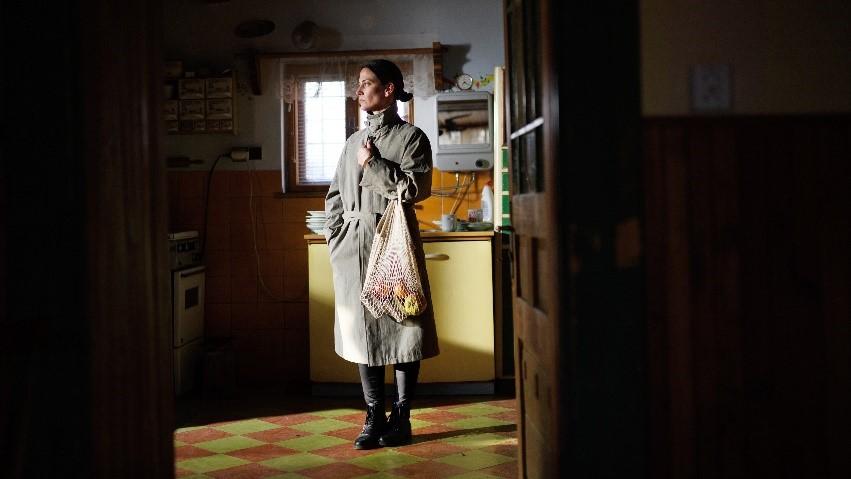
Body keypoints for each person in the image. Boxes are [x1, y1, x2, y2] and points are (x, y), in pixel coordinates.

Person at [324, 59, 439, 449]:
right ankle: (373, 416)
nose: (359, 90)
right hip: (353, 249)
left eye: (366, 83)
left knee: (405, 329)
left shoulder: (411, 139)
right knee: (363, 334)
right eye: (358, 84)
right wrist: (335, 238)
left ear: (389, 89)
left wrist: (373, 164)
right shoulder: (351, 143)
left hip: (395, 245)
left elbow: (414, 190)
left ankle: (402, 417)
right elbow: (334, 198)